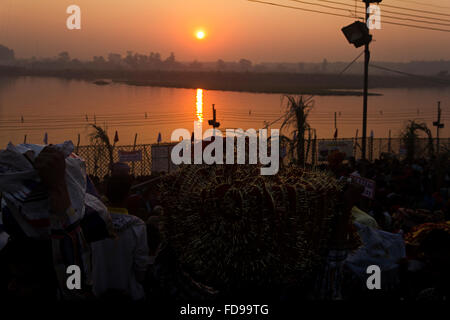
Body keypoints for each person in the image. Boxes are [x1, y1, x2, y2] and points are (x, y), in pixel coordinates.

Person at [91, 174, 149, 300]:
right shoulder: (137, 226)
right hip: (129, 292)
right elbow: (141, 266)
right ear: (128, 195)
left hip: (98, 291)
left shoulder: (93, 223)